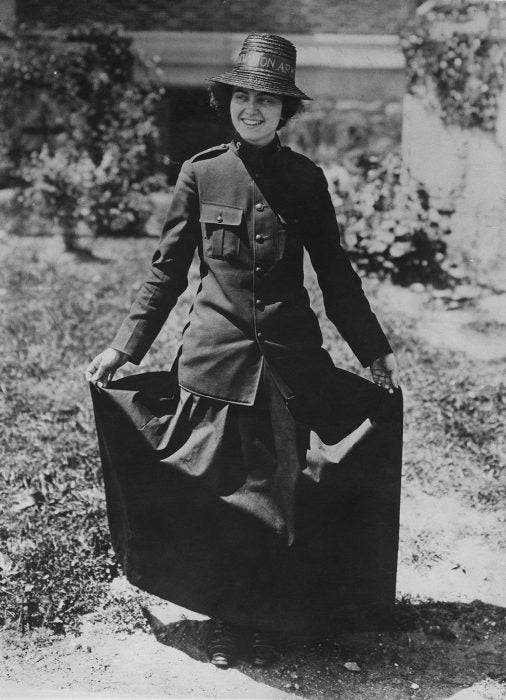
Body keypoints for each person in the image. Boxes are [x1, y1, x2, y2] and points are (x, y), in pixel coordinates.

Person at [86, 33, 401, 670]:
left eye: (266, 99)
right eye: (241, 96)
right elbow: (167, 271)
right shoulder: (200, 173)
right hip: (215, 359)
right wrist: (126, 347)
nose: (251, 109)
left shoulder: (306, 180)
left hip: (289, 361)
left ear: (286, 111)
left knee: (288, 491)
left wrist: (374, 351)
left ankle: (291, 613)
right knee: (219, 494)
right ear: (226, 101)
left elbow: (335, 273)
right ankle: (230, 620)